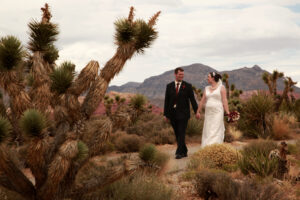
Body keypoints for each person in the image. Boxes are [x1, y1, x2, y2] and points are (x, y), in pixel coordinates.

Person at [164, 67, 198, 159]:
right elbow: (166, 101)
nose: (181, 76)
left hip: (183, 114)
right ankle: (184, 150)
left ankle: (179, 152)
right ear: (175, 74)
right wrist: (166, 114)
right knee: (177, 133)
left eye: (182, 75)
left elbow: (192, 100)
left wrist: (197, 111)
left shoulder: (187, 86)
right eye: (180, 74)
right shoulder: (169, 86)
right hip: (172, 114)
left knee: (181, 132)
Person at [196, 72, 230, 147]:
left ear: (213, 78)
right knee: (208, 129)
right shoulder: (206, 88)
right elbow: (202, 101)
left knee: (216, 129)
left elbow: (224, 100)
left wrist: (228, 112)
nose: (207, 78)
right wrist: (198, 111)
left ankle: (214, 147)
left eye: (208, 77)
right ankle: (207, 147)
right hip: (208, 113)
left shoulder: (221, 88)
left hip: (218, 112)